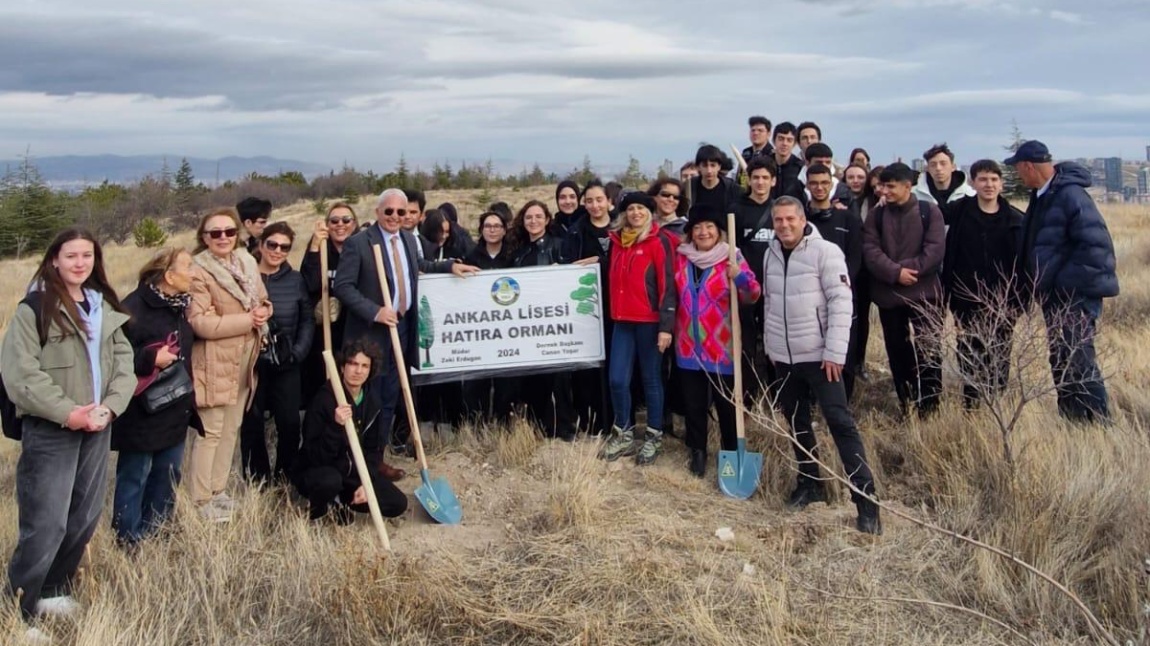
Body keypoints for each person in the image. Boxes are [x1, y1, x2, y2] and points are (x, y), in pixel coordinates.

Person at [1, 228, 135, 627]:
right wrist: (68, 412)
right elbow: (21, 375)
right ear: (54, 260)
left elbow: (124, 367)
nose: (80, 263)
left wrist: (109, 409)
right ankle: (18, 610)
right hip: (52, 430)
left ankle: (53, 590)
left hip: (98, 427)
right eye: (71, 256)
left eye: (87, 256)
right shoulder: (35, 308)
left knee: (84, 516)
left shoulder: (104, 307)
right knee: (46, 523)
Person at [762, 197, 881, 534]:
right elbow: (771, 302)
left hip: (820, 357)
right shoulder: (771, 254)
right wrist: (772, 346)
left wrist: (834, 353)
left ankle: (865, 499)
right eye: (778, 220)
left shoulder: (825, 252)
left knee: (841, 424)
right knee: (798, 423)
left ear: (802, 220)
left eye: (790, 219)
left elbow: (842, 302)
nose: (784, 226)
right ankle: (809, 482)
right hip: (785, 357)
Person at [333, 189, 479, 460]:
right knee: (369, 396)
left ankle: (378, 455)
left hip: (401, 329)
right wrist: (375, 311)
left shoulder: (410, 241)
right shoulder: (360, 243)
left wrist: (448, 267)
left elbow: (419, 265)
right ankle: (358, 458)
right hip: (371, 334)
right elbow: (343, 286)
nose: (395, 216)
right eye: (389, 211)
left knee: (390, 395)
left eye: (401, 212)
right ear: (378, 212)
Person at [1006, 140, 1119, 423]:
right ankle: (1073, 423)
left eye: (1018, 169)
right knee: (1062, 361)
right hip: (1056, 298)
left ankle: (1097, 424)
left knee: (1077, 361)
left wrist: (1061, 285)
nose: (1018, 176)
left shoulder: (1070, 196)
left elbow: (1097, 250)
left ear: (1028, 166)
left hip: (1073, 298)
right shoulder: (1044, 195)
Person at [187, 208, 270, 521]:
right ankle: (200, 499)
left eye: (229, 232)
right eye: (215, 233)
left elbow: (260, 297)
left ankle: (218, 491)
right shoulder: (198, 271)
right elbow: (200, 323)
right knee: (211, 431)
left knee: (232, 428)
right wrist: (248, 319)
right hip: (213, 360)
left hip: (244, 359)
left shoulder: (246, 261)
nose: (223, 238)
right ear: (204, 238)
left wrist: (263, 312)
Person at [111, 247, 196, 547]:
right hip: (141, 414)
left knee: (167, 475)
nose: (194, 273)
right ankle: (127, 539)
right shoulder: (131, 309)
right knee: (135, 476)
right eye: (189, 267)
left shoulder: (179, 305)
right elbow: (111, 358)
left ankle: (157, 533)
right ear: (169, 276)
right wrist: (148, 357)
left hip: (174, 408)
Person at [673, 205, 761, 477]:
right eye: (697, 228)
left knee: (726, 406)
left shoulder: (731, 256)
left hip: (723, 348)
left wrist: (741, 277)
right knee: (694, 405)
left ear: (719, 231)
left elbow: (753, 294)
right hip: (688, 346)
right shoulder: (681, 258)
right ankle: (697, 452)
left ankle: (732, 455)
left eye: (709, 227)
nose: (703, 232)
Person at [862, 163, 946, 417]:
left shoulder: (929, 212)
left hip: (925, 295)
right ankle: (907, 403)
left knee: (929, 351)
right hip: (889, 297)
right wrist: (895, 272)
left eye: (890, 186)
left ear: (907, 186)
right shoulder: (876, 216)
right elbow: (870, 250)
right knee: (897, 352)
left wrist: (910, 270)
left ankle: (930, 406)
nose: (884, 191)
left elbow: (934, 250)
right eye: (881, 186)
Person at [293, 339, 408, 523]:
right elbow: (313, 455)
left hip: (352, 474)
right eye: (353, 364)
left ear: (371, 370)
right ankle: (322, 506)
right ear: (342, 367)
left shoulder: (373, 402)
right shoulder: (324, 399)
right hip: (321, 471)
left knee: (397, 503)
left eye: (364, 366)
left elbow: (373, 452)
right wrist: (335, 426)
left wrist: (366, 483)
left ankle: (344, 502)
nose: (358, 371)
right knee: (329, 482)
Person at [599, 192, 677, 465]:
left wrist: (666, 327)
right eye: (631, 208)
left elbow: (667, 285)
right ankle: (624, 432)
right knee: (617, 379)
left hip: (650, 322)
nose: (635, 213)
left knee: (651, 379)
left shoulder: (658, 242)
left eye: (641, 208)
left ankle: (654, 434)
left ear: (649, 212)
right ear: (624, 213)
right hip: (622, 321)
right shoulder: (617, 242)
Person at [942, 160, 1024, 409]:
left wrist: (1017, 303)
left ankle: (995, 411)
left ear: (1001, 184)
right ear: (973, 183)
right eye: (983, 179)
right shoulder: (959, 212)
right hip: (966, 302)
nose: (989, 185)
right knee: (969, 358)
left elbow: (1024, 266)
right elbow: (926, 213)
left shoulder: (1015, 220)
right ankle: (972, 410)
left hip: (1004, 303)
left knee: (999, 360)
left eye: (994, 180)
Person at [239, 222, 314, 485]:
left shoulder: (295, 280)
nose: (277, 251)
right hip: (251, 365)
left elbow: (307, 319)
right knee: (252, 424)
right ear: (261, 245)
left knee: (289, 424)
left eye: (284, 247)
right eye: (272, 244)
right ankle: (257, 479)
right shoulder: (244, 278)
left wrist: (297, 352)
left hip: (286, 363)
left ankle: (286, 477)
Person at [508, 200, 577, 440]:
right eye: (529, 217)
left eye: (538, 216)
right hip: (527, 324)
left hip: (554, 323)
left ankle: (565, 428)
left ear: (547, 220)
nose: (533, 221)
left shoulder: (559, 246)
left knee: (559, 379)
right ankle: (538, 427)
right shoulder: (518, 252)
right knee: (533, 379)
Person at [805, 164, 864, 398]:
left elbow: (856, 257)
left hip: (842, 295)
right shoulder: (802, 220)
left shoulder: (847, 218)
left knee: (844, 350)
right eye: (814, 183)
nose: (819, 188)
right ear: (807, 186)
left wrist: (839, 286)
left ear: (831, 185)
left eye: (824, 183)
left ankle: (844, 400)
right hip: (809, 298)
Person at [561, 179, 615, 436]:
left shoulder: (622, 228)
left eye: (599, 200)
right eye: (589, 201)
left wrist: (600, 262)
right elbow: (569, 267)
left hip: (616, 306)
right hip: (585, 307)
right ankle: (588, 420)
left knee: (613, 367)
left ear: (609, 202)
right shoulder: (576, 232)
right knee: (586, 367)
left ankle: (612, 420)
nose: (595, 205)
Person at [300, 202, 359, 405]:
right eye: (334, 221)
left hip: (353, 327)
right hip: (325, 329)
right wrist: (315, 247)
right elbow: (308, 283)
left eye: (346, 220)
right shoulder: (320, 249)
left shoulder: (362, 249)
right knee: (322, 380)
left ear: (354, 223)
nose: (340, 225)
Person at [462, 212, 515, 421]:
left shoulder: (513, 256)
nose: (492, 230)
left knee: (506, 381)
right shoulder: (471, 257)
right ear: (481, 230)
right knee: (478, 380)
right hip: (480, 330)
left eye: (497, 226)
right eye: (487, 226)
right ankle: (478, 421)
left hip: (508, 329)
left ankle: (505, 420)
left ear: (504, 230)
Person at [913, 143, 975, 214]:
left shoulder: (969, 195)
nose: (938, 168)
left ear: (953, 167)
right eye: (933, 165)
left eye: (943, 163)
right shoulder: (914, 195)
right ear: (927, 168)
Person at [689, 145, 742, 214]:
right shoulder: (689, 187)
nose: (709, 171)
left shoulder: (732, 189)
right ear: (698, 167)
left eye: (713, 165)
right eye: (705, 165)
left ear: (719, 166)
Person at [770, 122, 805, 201]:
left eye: (789, 140)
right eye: (781, 139)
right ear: (773, 140)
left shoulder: (800, 168)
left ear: (794, 143)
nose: (784, 143)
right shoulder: (764, 165)